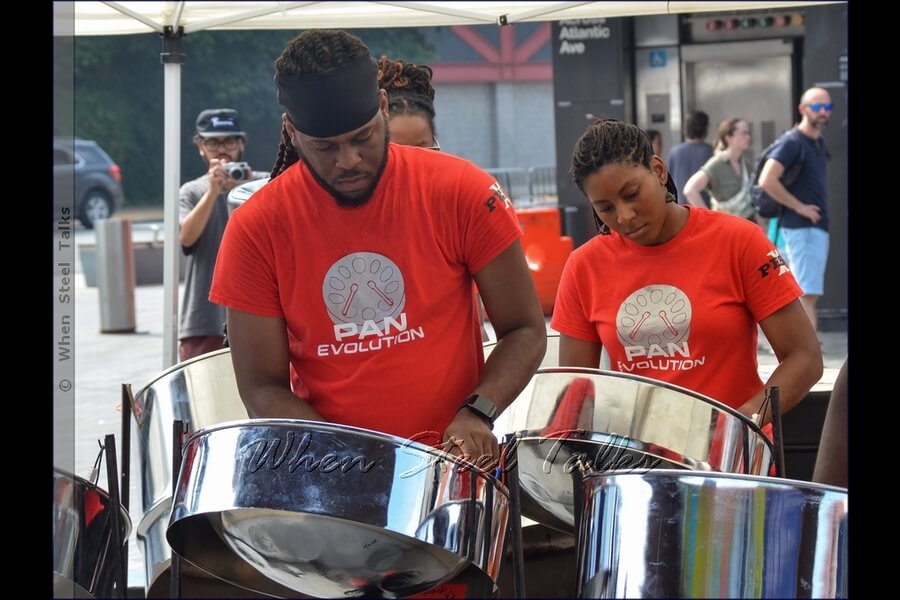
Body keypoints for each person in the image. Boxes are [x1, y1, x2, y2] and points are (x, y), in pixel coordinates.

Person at [209, 30, 546, 466]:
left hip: (455, 471)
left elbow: (525, 329)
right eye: (325, 147)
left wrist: (478, 412)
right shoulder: (256, 228)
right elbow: (261, 387)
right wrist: (342, 457)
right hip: (332, 474)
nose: (347, 160)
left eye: (362, 138)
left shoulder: (462, 190)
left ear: (384, 108)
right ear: (292, 133)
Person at [551, 119, 822, 422]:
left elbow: (804, 358)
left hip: (732, 461)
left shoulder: (740, 241)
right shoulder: (583, 266)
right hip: (636, 461)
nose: (625, 216)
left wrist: (741, 423)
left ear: (658, 170)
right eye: (606, 208)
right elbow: (575, 394)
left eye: (632, 194)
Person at [375, 55, 490, 342]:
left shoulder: (455, 211)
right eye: (400, 151)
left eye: (425, 149)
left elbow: (479, 329)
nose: (416, 163)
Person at [178, 108, 250, 362]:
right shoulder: (192, 191)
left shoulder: (260, 185)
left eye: (229, 141)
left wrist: (241, 190)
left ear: (241, 143)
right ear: (200, 146)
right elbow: (186, 238)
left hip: (256, 316)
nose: (222, 150)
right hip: (203, 319)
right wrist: (212, 193)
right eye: (213, 142)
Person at [758, 87, 832, 333]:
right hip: (801, 231)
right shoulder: (793, 141)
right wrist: (800, 207)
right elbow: (767, 179)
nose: (823, 112)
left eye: (827, 107)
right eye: (818, 107)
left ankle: (797, 353)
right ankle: (810, 358)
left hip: (800, 230)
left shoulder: (817, 142)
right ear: (803, 109)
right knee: (806, 296)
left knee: (794, 294)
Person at [683, 117, 756, 221]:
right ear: (728, 138)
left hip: (748, 226)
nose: (748, 137)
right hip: (726, 228)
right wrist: (709, 220)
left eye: (748, 133)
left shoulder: (747, 165)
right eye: (743, 133)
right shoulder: (717, 164)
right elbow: (690, 190)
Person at [667, 111, 713, 207]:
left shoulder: (675, 152)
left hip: (680, 207)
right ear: (705, 129)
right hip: (704, 205)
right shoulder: (710, 151)